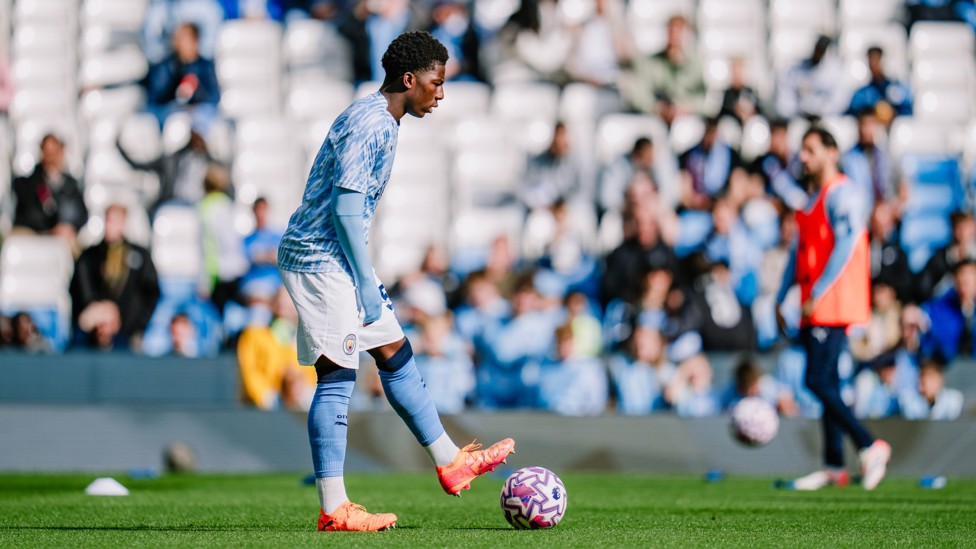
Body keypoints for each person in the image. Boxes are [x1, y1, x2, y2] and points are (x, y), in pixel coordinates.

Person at [276, 31, 514, 532]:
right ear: (410, 79)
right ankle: (333, 507)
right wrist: (364, 280)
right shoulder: (372, 124)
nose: (441, 92)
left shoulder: (382, 118)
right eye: (436, 81)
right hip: (320, 260)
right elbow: (343, 207)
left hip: (339, 257)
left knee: (394, 353)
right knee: (337, 376)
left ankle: (450, 461)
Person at [775, 128, 891, 491]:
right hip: (815, 304)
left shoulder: (843, 194)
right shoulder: (812, 199)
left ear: (832, 153)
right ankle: (834, 464)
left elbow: (848, 242)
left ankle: (869, 444)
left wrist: (820, 291)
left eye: (810, 150)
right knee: (827, 382)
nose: (803, 157)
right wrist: (783, 295)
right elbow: (798, 252)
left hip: (833, 302)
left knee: (817, 380)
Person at [70, 204, 160, 351]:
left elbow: (151, 292)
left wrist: (135, 325)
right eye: (107, 220)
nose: (109, 225)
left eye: (114, 220)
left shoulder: (140, 256)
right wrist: (98, 311)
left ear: (123, 222)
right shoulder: (89, 256)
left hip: (126, 334)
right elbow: (80, 288)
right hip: (92, 337)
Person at [12, 134, 88, 250]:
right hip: (35, 236)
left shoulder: (70, 185)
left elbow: (81, 215)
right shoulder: (28, 184)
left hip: (62, 238)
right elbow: (28, 216)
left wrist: (67, 227)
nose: (51, 158)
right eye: (48, 153)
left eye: (55, 152)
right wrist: (50, 231)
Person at [630, 14, 705, 121]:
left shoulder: (697, 64)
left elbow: (708, 100)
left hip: (691, 120)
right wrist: (658, 108)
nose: (675, 38)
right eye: (672, 32)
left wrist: (688, 108)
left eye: (679, 33)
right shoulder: (650, 63)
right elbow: (638, 95)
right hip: (656, 118)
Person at [147, 22, 221, 128]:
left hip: (198, 114)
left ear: (196, 41)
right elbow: (156, 97)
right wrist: (175, 71)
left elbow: (213, 98)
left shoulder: (205, 66)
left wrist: (196, 86)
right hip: (171, 112)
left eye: (187, 40)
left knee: (205, 118)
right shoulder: (167, 65)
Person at [775, 35, 847, 120]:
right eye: (818, 49)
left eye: (822, 50)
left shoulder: (836, 72)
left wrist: (821, 111)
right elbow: (784, 103)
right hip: (799, 119)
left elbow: (839, 103)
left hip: (827, 120)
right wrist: (800, 112)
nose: (819, 53)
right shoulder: (795, 70)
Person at [842, 109, 902, 208]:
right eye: (864, 124)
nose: (867, 130)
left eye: (871, 124)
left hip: (885, 215)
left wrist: (890, 211)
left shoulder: (888, 157)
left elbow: (903, 190)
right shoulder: (846, 159)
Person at [847, 46, 913, 123]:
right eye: (871, 60)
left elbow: (908, 112)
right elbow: (852, 113)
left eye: (877, 59)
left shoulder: (897, 90)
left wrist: (892, 113)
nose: (874, 64)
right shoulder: (862, 94)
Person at [719, 57, 762, 125]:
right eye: (735, 72)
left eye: (739, 71)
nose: (737, 75)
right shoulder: (727, 93)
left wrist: (750, 112)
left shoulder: (750, 91)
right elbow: (723, 114)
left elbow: (759, 111)